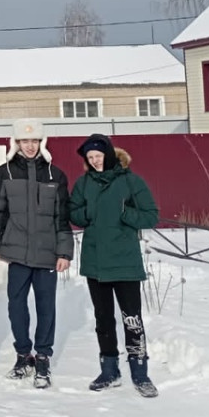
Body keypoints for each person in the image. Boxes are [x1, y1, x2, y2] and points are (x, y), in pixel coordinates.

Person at [69, 133, 160, 398]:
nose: (95, 161)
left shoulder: (131, 181)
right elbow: (72, 212)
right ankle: (109, 371)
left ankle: (140, 373)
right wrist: (87, 214)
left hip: (125, 262)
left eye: (98, 156)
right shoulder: (84, 183)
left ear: (109, 155)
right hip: (95, 262)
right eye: (90, 158)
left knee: (132, 319)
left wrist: (125, 214)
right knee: (103, 319)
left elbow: (151, 215)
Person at [0, 119, 73, 388]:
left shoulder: (55, 175)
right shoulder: (4, 173)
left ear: (41, 143)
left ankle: (43, 358)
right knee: (16, 306)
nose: (29, 146)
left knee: (46, 307)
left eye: (34, 141)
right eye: (25, 141)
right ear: (16, 143)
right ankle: (23, 355)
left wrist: (64, 252)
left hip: (48, 253)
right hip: (17, 254)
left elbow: (62, 217)